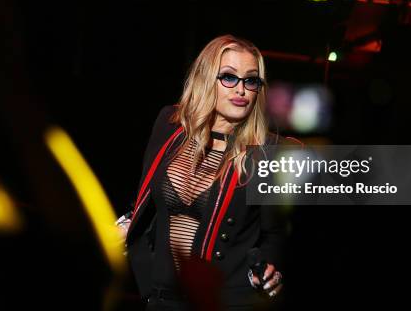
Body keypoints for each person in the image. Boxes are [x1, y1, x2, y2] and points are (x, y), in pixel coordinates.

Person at [117, 35, 298, 310]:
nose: (241, 90)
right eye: (228, 77)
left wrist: (273, 270)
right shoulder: (170, 125)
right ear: (205, 78)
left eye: (251, 80)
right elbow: (145, 200)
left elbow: (275, 235)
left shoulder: (268, 152)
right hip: (159, 298)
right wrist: (126, 225)